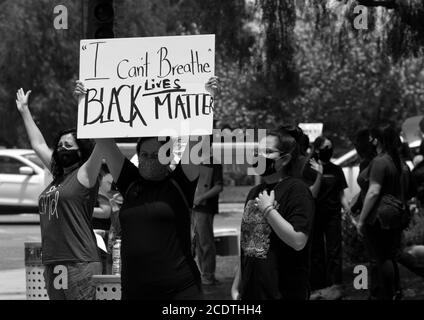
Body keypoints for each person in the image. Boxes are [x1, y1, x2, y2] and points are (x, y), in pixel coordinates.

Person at [74, 77, 220, 300]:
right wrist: (85, 103)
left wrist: (207, 98)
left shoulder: (181, 181)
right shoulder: (129, 180)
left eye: (157, 155)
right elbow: (103, 140)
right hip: (136, 291)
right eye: (145, 155)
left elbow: (198, 140)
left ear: (169, 157)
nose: (150, 160)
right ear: (138, 156)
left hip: (180, 291)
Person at [15, 88, 103, 300]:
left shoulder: (85, 174)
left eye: (68, 145)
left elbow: (102, 141)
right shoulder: (57, 176)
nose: (62, 148)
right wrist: (25, 110)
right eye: (60, 145)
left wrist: (84, 103)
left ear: (80, 150)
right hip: (54, 262)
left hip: (79, 261)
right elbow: (38, 145)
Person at [231, 127, 315, 300]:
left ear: (284, 160)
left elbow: (298, 241)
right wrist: (237, 285)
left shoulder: (297, 190)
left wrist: (269, 210)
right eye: (257, 151)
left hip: (283, 293)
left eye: (267, 152)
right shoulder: (255, 192)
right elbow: (249, 244)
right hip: (251, 292)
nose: (259, 155)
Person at [355, 124, 411, 300]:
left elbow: (373, 192)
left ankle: (385, 294)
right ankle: (395, 292)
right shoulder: (398, 162)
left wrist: (361, 220)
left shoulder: (380, 161)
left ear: (377, 140)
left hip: (379, 217)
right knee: (390, 256)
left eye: (372, 137)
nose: (369, 140)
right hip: (396, 214)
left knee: (382, 258)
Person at [305, 136, 348, 299]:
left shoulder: (337, 170)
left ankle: (336, 284)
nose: (329, 150)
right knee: (316, 252)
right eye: (326, 147)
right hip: (315, 214)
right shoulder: (308, 169)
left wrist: (349, 213)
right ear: (317, 150)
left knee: (334, 250)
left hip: (333, 215)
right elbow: (311, 193)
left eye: (331, 147)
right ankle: (319, 285)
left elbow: (341, 194)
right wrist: (319, 174)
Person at [192, 139, 224, 285]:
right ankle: (203, 273)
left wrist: (201, 197)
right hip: (194, 207)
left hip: (205, 208)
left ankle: (208, 275)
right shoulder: (194, 161)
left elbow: (218, 187)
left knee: (205, 242)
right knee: (198, 242)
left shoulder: (213, 162)